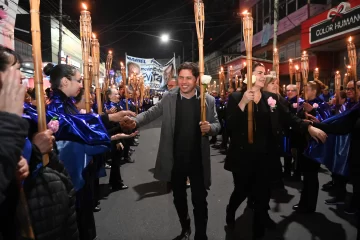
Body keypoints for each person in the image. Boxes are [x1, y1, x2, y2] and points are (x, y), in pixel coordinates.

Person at [224, 62, 327, 240]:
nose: (264, 76)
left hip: (265, 157)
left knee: (262, 200)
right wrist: (243, 103)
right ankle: (230, 210)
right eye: (259, 73)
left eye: (264, 73)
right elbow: (229, 126)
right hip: (243, 157)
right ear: (248, 77)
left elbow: (289, 118)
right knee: (241, 191)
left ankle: (258, 234)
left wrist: (308, 127)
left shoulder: (271, 98)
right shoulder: (235, 97)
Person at [131, 62, 220, 240]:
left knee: (200, 201)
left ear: (196, 80)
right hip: (175, 160)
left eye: (188, 78)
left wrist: (210, 128)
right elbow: (151, 112)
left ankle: (201, 235)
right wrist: (135, 121)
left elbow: (218, 124)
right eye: (181, 77)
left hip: (198, 161)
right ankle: (185, 226)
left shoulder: (206, 100)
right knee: (179, 199)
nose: (184, 82)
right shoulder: (170, 97)